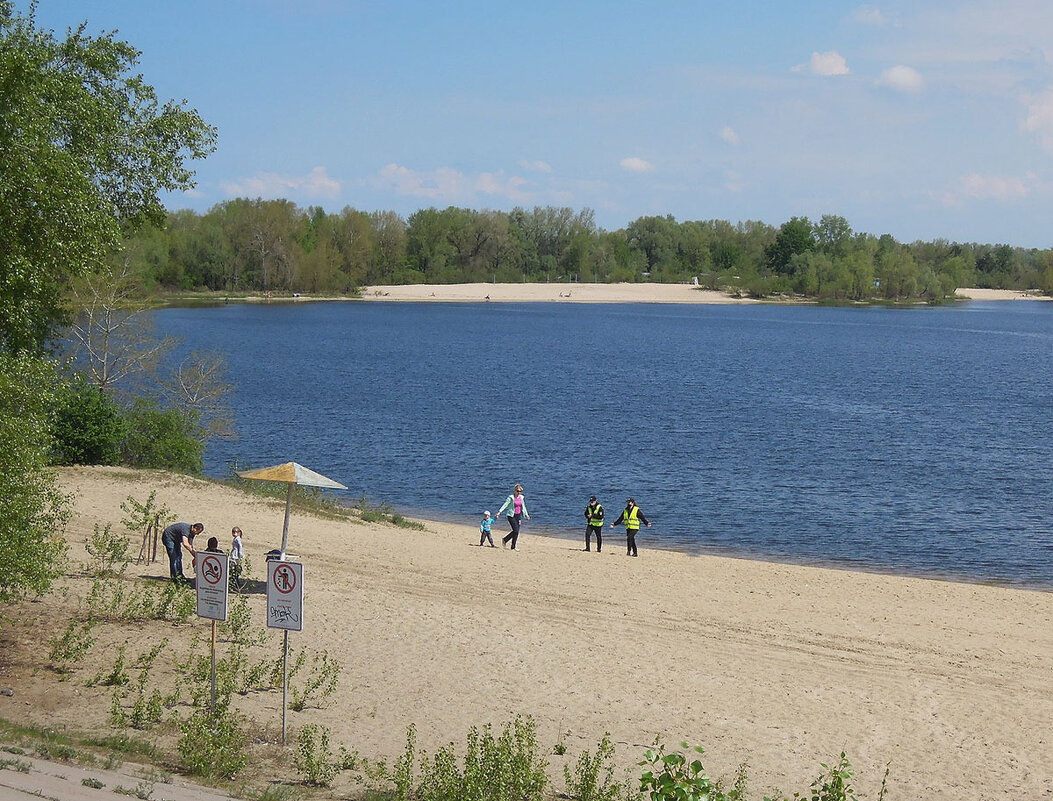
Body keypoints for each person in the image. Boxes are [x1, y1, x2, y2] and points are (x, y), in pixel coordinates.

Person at [499, 484, 530, 550]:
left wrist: (526, 514)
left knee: (517, 531)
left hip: (518, 515)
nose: (519, 492)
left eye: (520, 491)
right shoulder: (511, 498)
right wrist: (499, 512)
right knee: (515, 530)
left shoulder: (521, 497)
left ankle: (513, 546)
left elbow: (523, 507)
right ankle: (505, 539)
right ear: (515, 491)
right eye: (518, 491)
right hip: (511, 515)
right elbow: (505, 505)